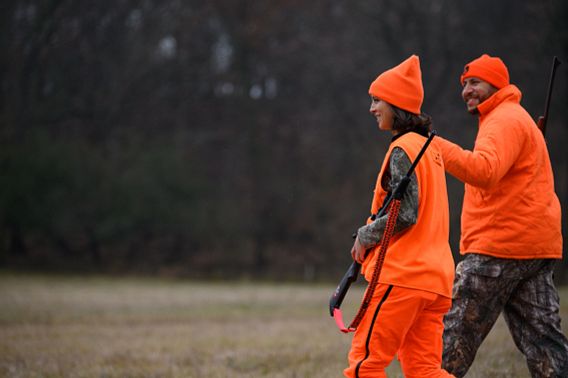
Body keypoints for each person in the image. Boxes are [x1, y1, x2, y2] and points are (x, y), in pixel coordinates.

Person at [436, 54, 568, 377]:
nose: (467, 90)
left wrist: (433, 146)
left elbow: (484, 171)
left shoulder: (503, 119)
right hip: (535, 249)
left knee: (450, 343)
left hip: (498, 248)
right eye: (464, 84)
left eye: (475, 83)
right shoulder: (515, 118)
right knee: (546, 347)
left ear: (497, 85)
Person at [344, 55, 455, 378]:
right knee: (424, 370)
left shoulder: (402, 149)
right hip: (436, 282)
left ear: (397, 104)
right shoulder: (430, 149)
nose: (371, 108)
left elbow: (406, 213)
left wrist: (365, 236)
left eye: (377, 100)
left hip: (402, 277)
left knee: (365, 367)